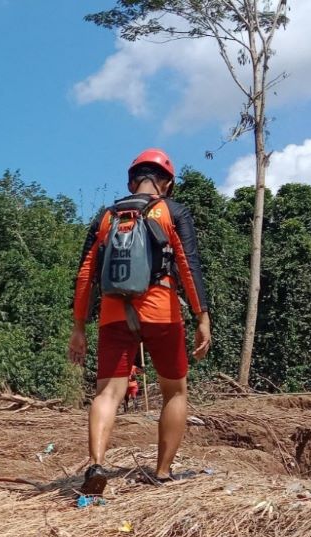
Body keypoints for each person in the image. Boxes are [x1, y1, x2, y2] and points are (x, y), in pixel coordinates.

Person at [68, 149, 212, 495]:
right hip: (162, 311)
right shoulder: (172, 212)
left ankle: (96, 464)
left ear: (131, 181)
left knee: (107, 392)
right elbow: (188, 266)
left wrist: (78, 326)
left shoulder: (107, 216)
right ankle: (162, 473)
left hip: (114, 313)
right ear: (169, 183)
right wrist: (201, 316)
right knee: (174, 391)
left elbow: (86, 272)